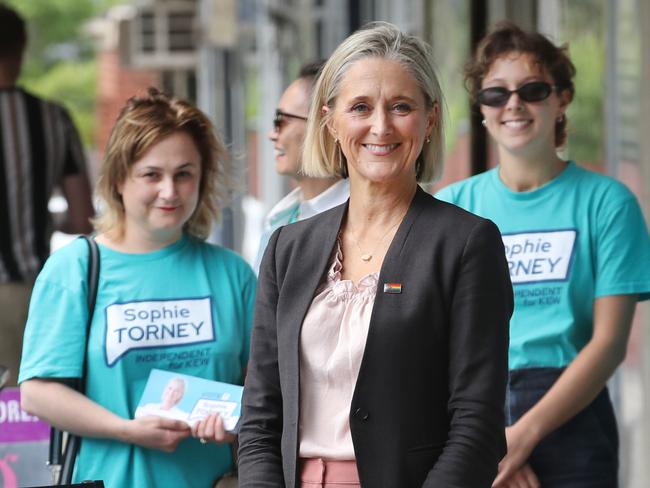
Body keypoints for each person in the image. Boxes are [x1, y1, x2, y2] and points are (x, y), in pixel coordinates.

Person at [238, 21, 513, 487]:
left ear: (429, 119)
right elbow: (261, 415)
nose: (380, 126)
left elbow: (477, 425)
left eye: (401, 106)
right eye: (360, 107)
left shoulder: (465, 244)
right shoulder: (288, 247)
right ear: (330, 121)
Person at [436, 22, 650, 488]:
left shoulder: (608, 203)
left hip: (572, 411)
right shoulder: (452, 207)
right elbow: (435, 340)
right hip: (473, 413)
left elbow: (610, 345)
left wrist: (522, 436)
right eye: (496, 94)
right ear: (482, 109)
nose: (513, 104)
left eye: (532, 89)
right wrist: (491, 439)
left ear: (562, 99)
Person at [19, 88, 256, 487]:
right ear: (118, 179)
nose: (170, 191)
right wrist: (126, 429)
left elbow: (264, 393)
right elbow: (38, 393)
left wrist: (237, 426)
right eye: (151, 174)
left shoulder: (232, 274)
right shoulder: (75, 269)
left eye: (184, 174)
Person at [0, 4, 94, 387]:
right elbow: (83, 216)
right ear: (21, 51)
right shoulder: (53, 119)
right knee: (26, 424)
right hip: (33, 295)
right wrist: (45, 219)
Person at [254, 61, 349, 272]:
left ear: (327, 125)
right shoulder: (279, 219)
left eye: (282, 120)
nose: (272, 134)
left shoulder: (359, 222)